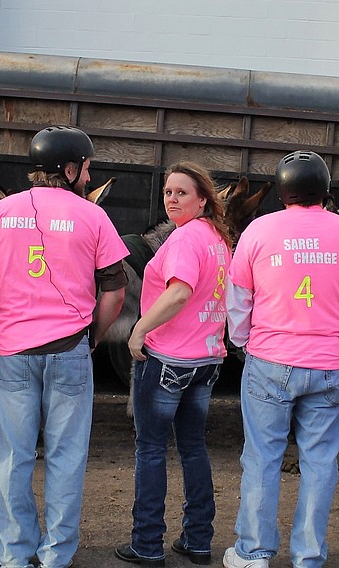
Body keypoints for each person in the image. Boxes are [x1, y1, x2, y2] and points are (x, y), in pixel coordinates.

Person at [0, 125, 129, 568]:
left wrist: (0, 326)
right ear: (71, 168)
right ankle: (56, 554)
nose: (90, 178)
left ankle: (15, 555)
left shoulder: (1, 212)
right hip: (70, 350)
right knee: (66, 457)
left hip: (16, 351)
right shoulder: (92, 216)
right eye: (88, 168)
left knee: (13, 457)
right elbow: (115, 289)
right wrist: (92, 335)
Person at [223, 150, 339, 568]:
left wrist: (243, 342)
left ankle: (253, 551)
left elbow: (238, 298)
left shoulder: (258, 231)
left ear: (283, 191)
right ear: (325, 192)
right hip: (328, 365)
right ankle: (308, 556)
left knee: (261, 457)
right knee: (320, 462)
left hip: (269, 360)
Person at [115, 162, 232, 567]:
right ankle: (198, 539)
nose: (172, 199)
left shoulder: (185, 240)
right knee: (193, 448)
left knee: (150, 450)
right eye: (168, 192)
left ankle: (147, 544)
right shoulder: (217, 239)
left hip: (168, 359)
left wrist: (138, 330)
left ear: (203, 199)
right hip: (205, 359)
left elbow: (179, 293)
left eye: (182, 192)